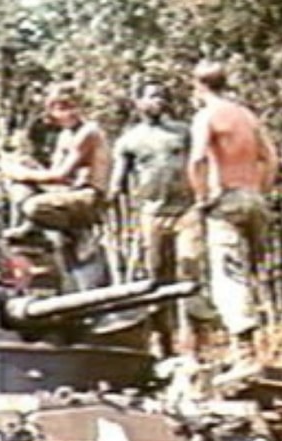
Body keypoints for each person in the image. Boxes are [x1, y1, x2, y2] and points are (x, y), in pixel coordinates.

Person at [186, 60, 279, 369]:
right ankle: (258, 342)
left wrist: (202, 196)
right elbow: (271, 158)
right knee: (252, 273)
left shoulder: (206, 115)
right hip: (252, 197)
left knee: (228, 275)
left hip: (225, 200)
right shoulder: (246, 115)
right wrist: (258, 190)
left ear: (198, 87)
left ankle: (244, 352)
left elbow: (198, 159)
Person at [110, 80, 196, 357]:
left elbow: (201, 163)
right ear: (138, 103)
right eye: (151, 97)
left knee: (190, 270)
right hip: (152, 214)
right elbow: (118, 182)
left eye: (161, 97)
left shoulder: (183, 132)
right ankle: (166, 345)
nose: (157, 101)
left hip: (187, 211)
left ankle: (197, 345)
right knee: (157, 278)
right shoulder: (129, 140)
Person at [0, 81, 112, 239]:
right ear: (51, 111)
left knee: (34, 206)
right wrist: (24, 168)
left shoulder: (88, 132)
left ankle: (75, 233)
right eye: (62, 108)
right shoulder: (65, 135)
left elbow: (60, 175)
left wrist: (21, 174)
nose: (70, 113)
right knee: (22, 170)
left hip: (88, 197)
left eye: (73, 107)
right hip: (67, 191)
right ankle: (31, 227)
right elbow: (53, 176)